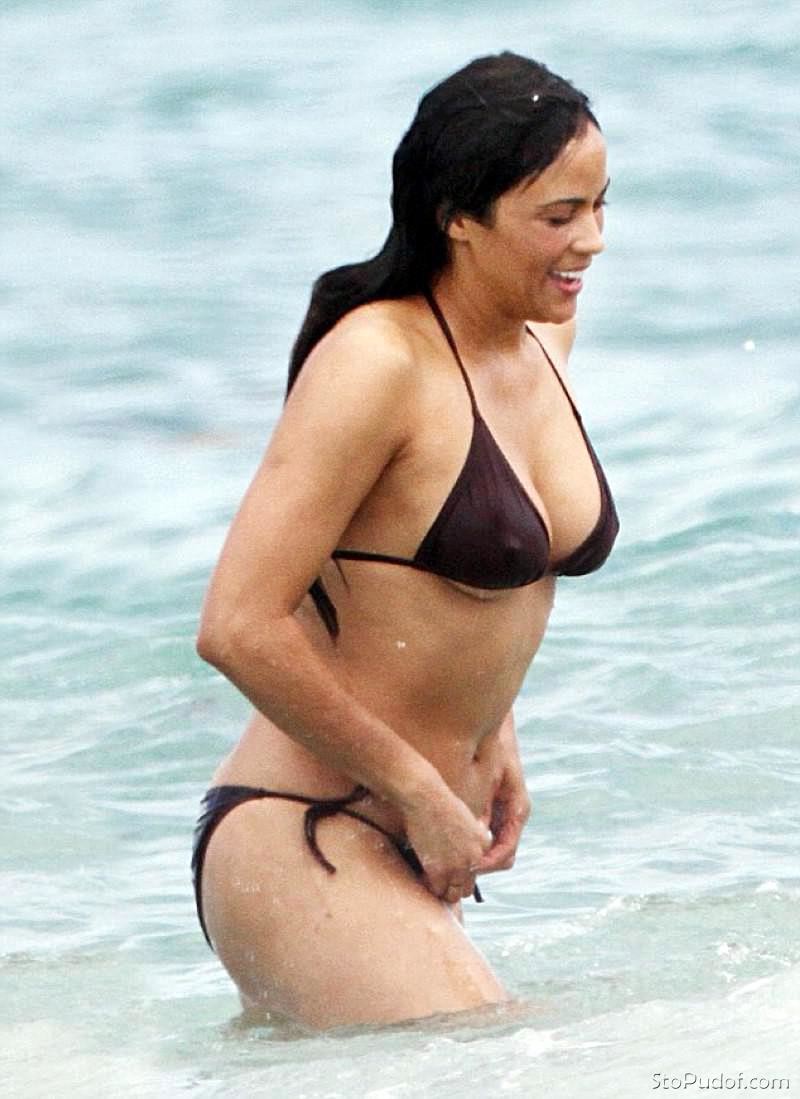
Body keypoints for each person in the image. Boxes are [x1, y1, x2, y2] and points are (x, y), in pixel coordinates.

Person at [192, 50, 618, 1031]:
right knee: (499, 1063)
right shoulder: (375, 362)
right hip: (303, 831)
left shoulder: (542, 340)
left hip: (419, 839)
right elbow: (237, 626)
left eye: (600, 205)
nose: (591, 240)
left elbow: (476, 592)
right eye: (557, 215)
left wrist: (494, 734)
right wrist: (419, 790)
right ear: (458, 216)